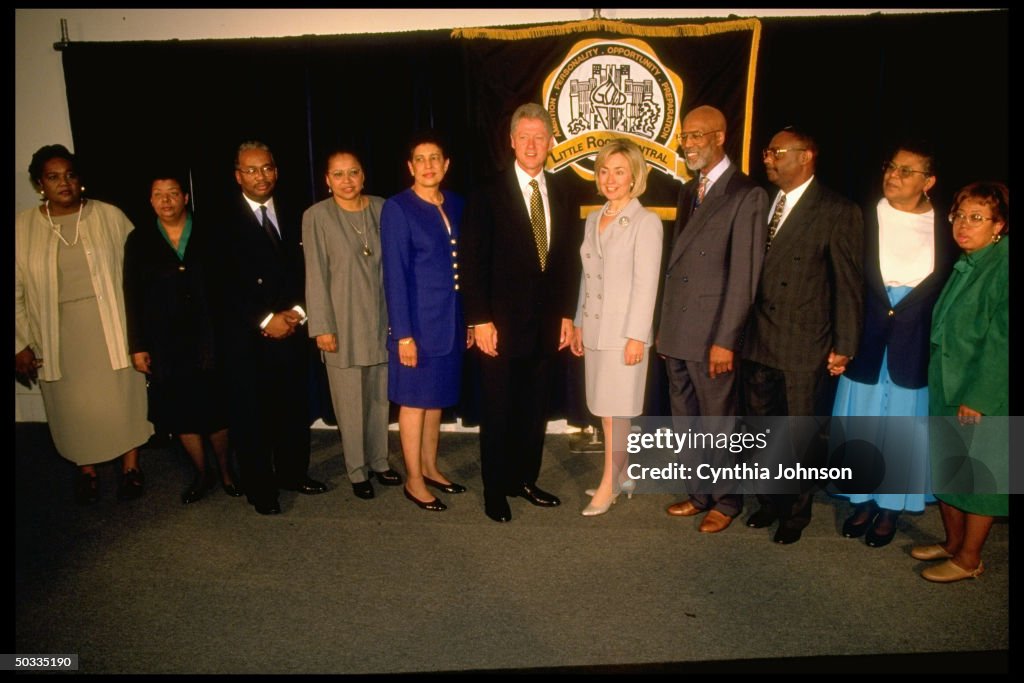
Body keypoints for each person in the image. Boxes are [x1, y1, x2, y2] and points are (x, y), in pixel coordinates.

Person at [741, 125, 864, 544]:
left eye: (776, 152)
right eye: (767, 152)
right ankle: (769, 503)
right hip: (758, 338)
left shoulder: (837, 210)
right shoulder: (763, 202)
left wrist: (845, 344)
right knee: (761, 430)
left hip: (803, 342)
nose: (768, 159)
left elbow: (848, 283)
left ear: (806, 155)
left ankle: (794, 516)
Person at [461, 103, 582, 523]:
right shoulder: (485, 193)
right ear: (511, 141)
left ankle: (523, 480)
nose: (532, 145)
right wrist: (479, 321)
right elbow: (473, 264)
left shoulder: (566, 191)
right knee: (498, 411)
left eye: (539, 137)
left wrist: (567, 314)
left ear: (551, 142)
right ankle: (496, 490)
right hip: (499, 327)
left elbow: (568, 261)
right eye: (524, 136)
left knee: (534, 411)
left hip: (548, 326)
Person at [832, 141, 956, 546]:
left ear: (929, 182)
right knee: (863, 421)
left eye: (907, 171)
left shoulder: (947, 226)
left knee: (903, 426)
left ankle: (889, 508)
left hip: (914, 343)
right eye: (890, 167)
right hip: (865, 338)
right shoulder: (861, 217)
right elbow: (842, 283)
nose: (893, 176)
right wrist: (840, 339)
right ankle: (862, 501)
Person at [15, 144, 152, 503]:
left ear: (81, 181)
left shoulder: (109, 216)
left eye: (71, 175)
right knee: (72, 405)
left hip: (112, 325)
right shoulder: (23, 227)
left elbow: (140, 271)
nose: (64, 183)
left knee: (123, 399)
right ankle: (86, 472)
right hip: (56, 332)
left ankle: (131, 468)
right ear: (39, 184)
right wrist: (20, 343)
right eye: (53, 177)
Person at [657, 105, 768, 533]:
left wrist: (726, 340)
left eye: (699, 135)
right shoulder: (689, 190)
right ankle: (699, 493)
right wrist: (665, 332)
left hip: (712, 336)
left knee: (719, 421)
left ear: (721, 137)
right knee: (687, 418)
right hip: (679, 331)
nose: (690, 143)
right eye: (686, 136)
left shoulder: (746, 194)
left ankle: (726, 499)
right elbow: (678, 267)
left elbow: (745, 276)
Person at [216, 141, 326, 516]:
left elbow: (311, 267)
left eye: (266, 168)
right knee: (253, 416)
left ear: (276, 171)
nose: (260, 177)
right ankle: (261, 488)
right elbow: (222, 284)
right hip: (248, 336)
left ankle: (294, 474)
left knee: (292, 409)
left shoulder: (299, 210)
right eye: (251, 170)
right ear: (237, 176)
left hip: (292, 328)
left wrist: (297, 312)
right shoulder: (220, 220)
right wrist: (265, 319)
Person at [123, 172, 240, 505]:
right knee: (182, 411)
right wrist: (138, 345)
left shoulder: (211, 233)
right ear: (150, 201)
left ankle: (227, 470)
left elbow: (230, 287)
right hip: (166, 344)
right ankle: (201, 474)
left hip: (211, 337)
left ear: (185, 198)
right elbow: (131, 294)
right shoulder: (139, 239)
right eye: (158, 194)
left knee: (217, 409)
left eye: (172, 193)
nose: (166, 200)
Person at [912, 181, 1008, 582]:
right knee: (950, 468)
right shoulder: (970, 260)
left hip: (980, 390)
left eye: (977, 218)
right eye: (960, 216)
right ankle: (953, 543)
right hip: (948, 383)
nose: (964, 225)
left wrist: (979, 397)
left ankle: (969, 560)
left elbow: (1002, 342)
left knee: (980, 477)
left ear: (999, 225)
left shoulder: (1002, 265)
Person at [569, 139, 662, 516]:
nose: (610, 178)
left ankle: (609, 484)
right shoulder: (595, 217)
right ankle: (621, 475)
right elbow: (586, 277)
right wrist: (577, 322)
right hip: (594, 330)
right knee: (608, 411)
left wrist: (637, 336)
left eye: (619, 171)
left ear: (634, 176)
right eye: (604, 170)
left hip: (624, 335)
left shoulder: (646, 221)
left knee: (614, 411)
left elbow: (647, 283)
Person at [303, 150, 403, 500]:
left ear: (364, 176)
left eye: (353, 173)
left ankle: (379, 461)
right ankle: (357, 469)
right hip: (341, 324)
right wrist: (322, 326)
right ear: (327, 180)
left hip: (382, 320)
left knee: (379, 398)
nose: (347, 181)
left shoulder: (383, 208)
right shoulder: (316, 216)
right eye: (338, 174)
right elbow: (314, 274)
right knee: (349, 402)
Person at [381, 133, 470, 512]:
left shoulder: (458, 204)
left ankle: (431, 467)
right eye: (421, 159)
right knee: (414, 403)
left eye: (435, 158)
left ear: (446, 164)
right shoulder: (398, 208)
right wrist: (403, 334)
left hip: (450, 322)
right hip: (416, 327)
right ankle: (414, 481)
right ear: (410, 167)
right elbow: (395, 275)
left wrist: (467, 320)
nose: (429, 165)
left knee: (435, 402)